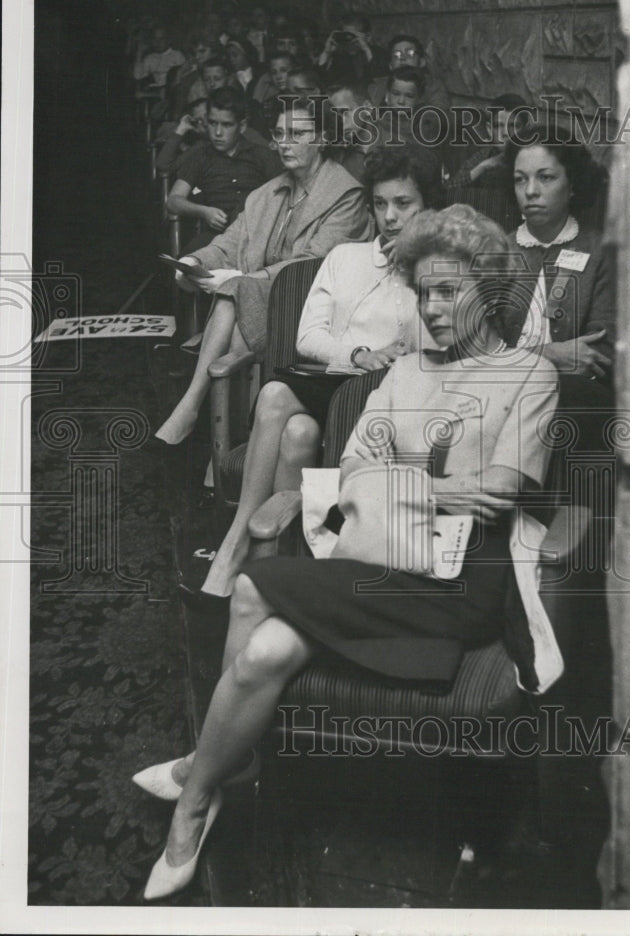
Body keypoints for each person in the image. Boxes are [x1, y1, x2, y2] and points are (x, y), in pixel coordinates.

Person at [135, 203, 560, 901]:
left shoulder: (529, 374)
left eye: (448, 290)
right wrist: (438, 486)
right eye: (423, 292)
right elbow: (356, 468)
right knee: (266, 649)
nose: (433, 307)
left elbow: (501, 494)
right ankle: (216, 775)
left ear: (489, 289)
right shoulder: (406, 371)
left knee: (252, 586)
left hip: (461, 585)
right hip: (379, 561)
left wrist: (401, 479)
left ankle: (197, 789)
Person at [190, 142, 442, 602]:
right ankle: (256, 554)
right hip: (329, 385)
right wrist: (359, 352)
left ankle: (253, 561)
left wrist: (415, 266)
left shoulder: (438, 271)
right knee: (288, 414)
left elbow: (430, 346)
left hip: (382, 406)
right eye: (380, 204)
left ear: (428, 205)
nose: (390, 217)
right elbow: (308, 336)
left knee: (296, 429)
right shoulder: (346, 258)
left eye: (404, 204)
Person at [149, 97, 372, 451]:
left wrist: (249, 280)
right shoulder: (267, 193)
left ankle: (195, 412)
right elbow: (231, 241)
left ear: (323, 139)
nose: (284, 142)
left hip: (314, 310)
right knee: (237, 308)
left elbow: (314, 264)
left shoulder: (346, 194)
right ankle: (230, 446)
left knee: (236, 295)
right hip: (260, 302)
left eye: (297, 134)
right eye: (280, 133)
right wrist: (195, 261)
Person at [501, 123, 615, 388]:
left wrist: (515, 357)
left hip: (572, 398)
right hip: (500, 391)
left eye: (545, 177)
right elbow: (476, 354)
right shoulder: (494, 250)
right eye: (520, 179)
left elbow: (601, 354)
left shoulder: (599, 252)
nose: (530, 191)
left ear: (572, 184)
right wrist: (550, 355)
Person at [166, 86, 282, 251]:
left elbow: (287, 196)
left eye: (226, 125)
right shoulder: (200, 156)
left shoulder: (261, 155)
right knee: (188, 263)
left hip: (257, 238)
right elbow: (173, 200)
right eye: (213, 123)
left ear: (241, 126)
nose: (217, 133)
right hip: (216, 238)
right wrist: (204, 212)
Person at [449, 93, 531, 188]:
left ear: (526, 129)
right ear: (489, 129)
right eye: (498, 126)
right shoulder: (486, 155)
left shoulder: (536, 157)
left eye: (513, 126)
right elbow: (449, 189)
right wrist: (483, 167)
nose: (505, 133)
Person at [369, 33, 451, 117]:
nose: (403, 58)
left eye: (410, 54)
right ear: (390, 65)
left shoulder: (433, 86)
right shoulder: (378, 87)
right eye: (396, 55)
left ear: (422, 62)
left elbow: (437, 119)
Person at [133, 24, 185, 91]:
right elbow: (137, 76)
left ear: (168, 40)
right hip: (155, 92)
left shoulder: (177, 55)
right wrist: (139, 53)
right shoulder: (150, 58)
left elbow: (185, 76)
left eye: (161, 39)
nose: (158, 42)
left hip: (173, 91)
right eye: (155, 39)